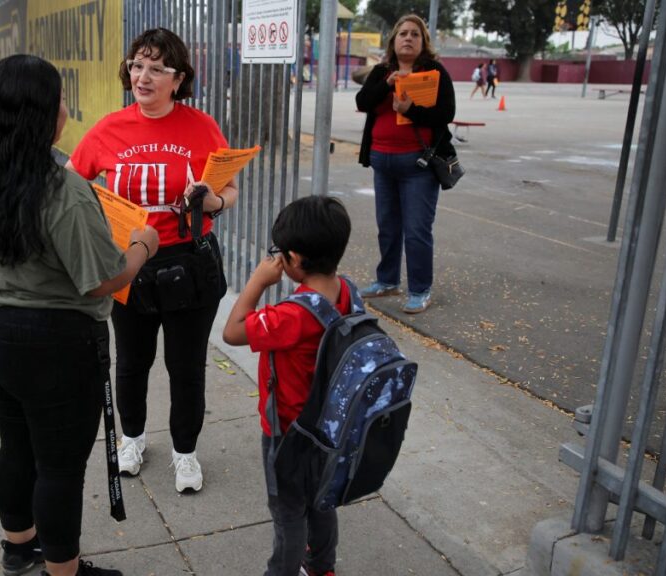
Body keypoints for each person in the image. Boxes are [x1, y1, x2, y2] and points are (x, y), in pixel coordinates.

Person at [0, 54, 160, 576]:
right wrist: (141, 246)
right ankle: (63, 572)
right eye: (60, 99)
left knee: (16, 444)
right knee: (60, 466)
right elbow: (101, 278)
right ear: (45, 113)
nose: (66, 109)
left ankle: (18, 549)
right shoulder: (62, 189)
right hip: (53, 346)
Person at [67, 27, 239, 493]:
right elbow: (71, 183)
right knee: (131, 362)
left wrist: (211, 202)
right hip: (129, 264)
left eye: (157, 68)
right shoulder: (108, 128)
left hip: (191, 261)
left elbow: (229, 188)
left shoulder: (201, 126)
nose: (143, 76)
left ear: (178, 79)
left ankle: (185, 452)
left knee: (186, 366)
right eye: (137, 65)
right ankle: (134, 439)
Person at [222, 195, 352, 576]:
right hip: (330, 427)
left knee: (289, 514)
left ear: (294, 260)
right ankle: (321, 566)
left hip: (288, 431)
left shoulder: (290, 317)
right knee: (322, 502)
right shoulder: (347, 292)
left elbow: (232, 332)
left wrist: (258, 281)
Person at [355, 14, 455, 314]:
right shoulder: (382, 71)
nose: (408, 38)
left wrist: (411, 111)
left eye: (415, 34)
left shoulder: (434, 71)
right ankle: (387, 281)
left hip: (419, 164)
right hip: (382, 161)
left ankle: (420, 289)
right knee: (387, 226)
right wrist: (387, 85)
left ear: (423, 41)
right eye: (402, 33)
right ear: (393, 40)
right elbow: (363, 102)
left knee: (416, 230)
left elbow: (446, 113)